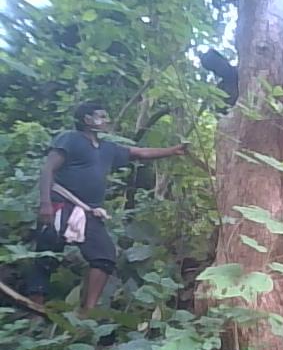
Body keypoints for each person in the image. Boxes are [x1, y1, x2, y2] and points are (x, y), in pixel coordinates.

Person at [26, 101, 188, 313]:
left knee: (104, 256)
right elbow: (48, 169)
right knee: (46, 255)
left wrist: (173, 150)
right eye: (101, 116)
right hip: (61, 205)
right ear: (87, 120)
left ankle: (88, 312)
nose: (106, 120)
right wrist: (45, 203)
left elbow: (139, 153)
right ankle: (34, 308)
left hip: (88, 212)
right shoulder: (70, 139)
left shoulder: (107, 148)